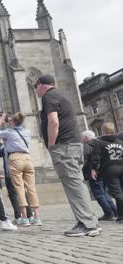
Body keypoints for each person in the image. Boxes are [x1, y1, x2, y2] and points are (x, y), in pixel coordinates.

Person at [36, 74, 100, 236]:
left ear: (41, 85)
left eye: (36, 87)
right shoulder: (61, 95)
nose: (36, 91)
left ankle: (87, 224)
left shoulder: (48, 96)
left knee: (73, 184)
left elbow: (53, 121)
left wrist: (51, 144)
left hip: (64, 146)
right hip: (74, 144)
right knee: (77, 182)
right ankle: (90, 221)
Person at [0, 113, 41, 226]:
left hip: (15, 159)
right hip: (27, 158)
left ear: (14, 122)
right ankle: (36, 217)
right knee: (31, 188)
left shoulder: (10, 133)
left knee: (19, 189)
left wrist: (0, 121)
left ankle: (24, 218)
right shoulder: (27, 132)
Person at [81, 130, 117, 221]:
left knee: (99, 193)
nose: (81, 140)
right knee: (104, 192)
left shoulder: (87, 146)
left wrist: (82, 171)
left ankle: (108, 213)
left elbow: (84, 161)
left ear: (85, 138)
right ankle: (114, 211)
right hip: (104, 171)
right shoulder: (101, 143)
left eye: (82, 138)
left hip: (93, 172)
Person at [91, 123, 123, 223]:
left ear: (103, 131)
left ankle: (121, 217)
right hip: (121, 166)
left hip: (110, 169)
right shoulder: (120, 142)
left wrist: (93, 169)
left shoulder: (99, 142)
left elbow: (95, 157)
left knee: (117, 193)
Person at [0, 140, 33, 223]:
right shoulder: (20, 147)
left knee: (13, 196)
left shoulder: (6, 148)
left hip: (10, 174)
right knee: (23, 193)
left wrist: (0, 144)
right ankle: (30, 215)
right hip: (21, 173)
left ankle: (18, 217)